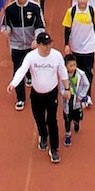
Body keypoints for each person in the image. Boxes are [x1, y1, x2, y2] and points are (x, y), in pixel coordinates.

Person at [10, 29, 65, 162]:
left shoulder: (56, 56)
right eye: (45, 44)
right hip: (36, 95)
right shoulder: (31, 57)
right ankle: (43, 135)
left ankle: (54, 149)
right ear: (38, 45)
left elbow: (63, 72)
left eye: (49, 44)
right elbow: (22, 70)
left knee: (52, 121)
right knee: (39, 118)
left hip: (51, 94)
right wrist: (13, 83)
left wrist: (67, 88)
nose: (48, 47)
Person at [1, 0, 46, 109]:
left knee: (35, 69)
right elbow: (5, 24)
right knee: (18, 70)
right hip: (17, 46)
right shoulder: (10, 9)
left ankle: (33, 84)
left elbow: (40, 25)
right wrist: (6, 30)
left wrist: (37, 39)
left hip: (32, 46)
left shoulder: (35, 7)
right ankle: (20, 98)